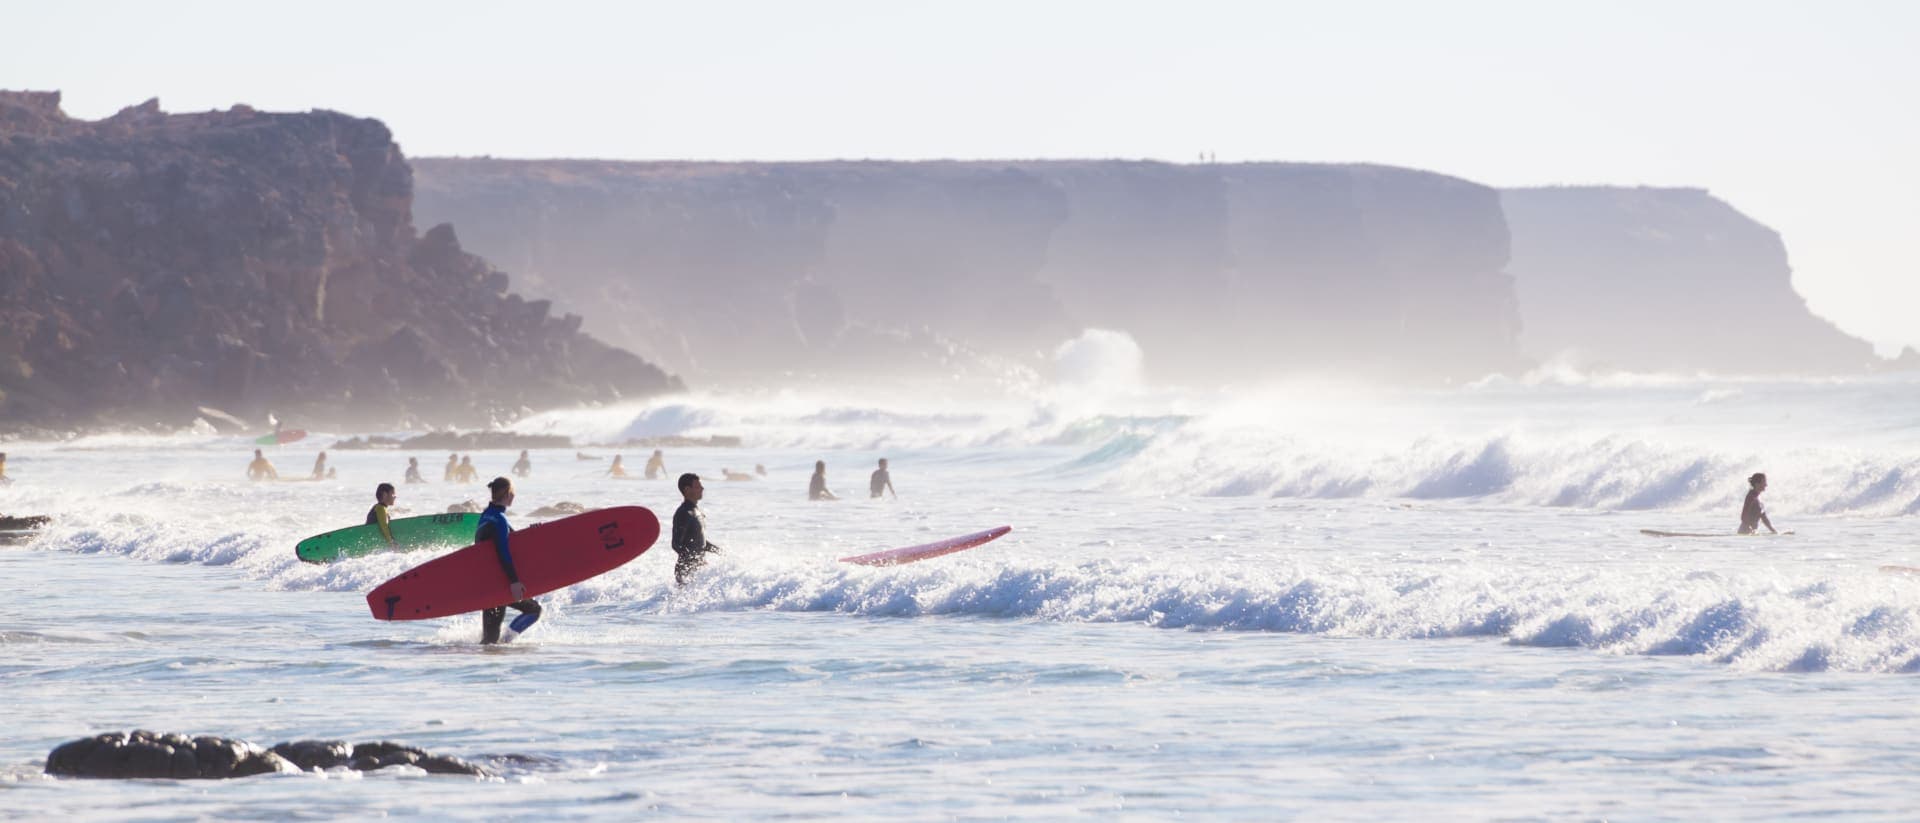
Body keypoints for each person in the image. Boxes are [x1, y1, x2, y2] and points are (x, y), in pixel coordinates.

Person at [476, 476, 541, 644]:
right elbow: (503, 551)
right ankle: (506, 642)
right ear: (508, 494)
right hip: (499, 584)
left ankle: (498, 648)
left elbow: (514, 541)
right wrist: (514, 581)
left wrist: (533, 533)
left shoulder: (488, 515)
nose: (514, 496)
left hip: (488, 582)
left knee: (489, 640)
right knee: (534, 610)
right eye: (513, 492)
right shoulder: (499, 520)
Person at [671, 473, 721, 586]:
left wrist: (719, 551)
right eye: (698, 486)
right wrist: (694, 561)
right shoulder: (684, 513)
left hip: (696, 569)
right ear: (687, 490)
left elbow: (698, 541)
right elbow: (676, 544)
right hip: (686, 571)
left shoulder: (696, 512)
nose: (702, 488)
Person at [367, 482, 399, 548]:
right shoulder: (380, 508)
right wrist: (391, 542)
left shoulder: (379, 507)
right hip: (372, 540)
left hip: (370, 539)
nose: (395, 497)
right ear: (385, 495)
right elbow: (383, 526)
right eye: (393, 494)